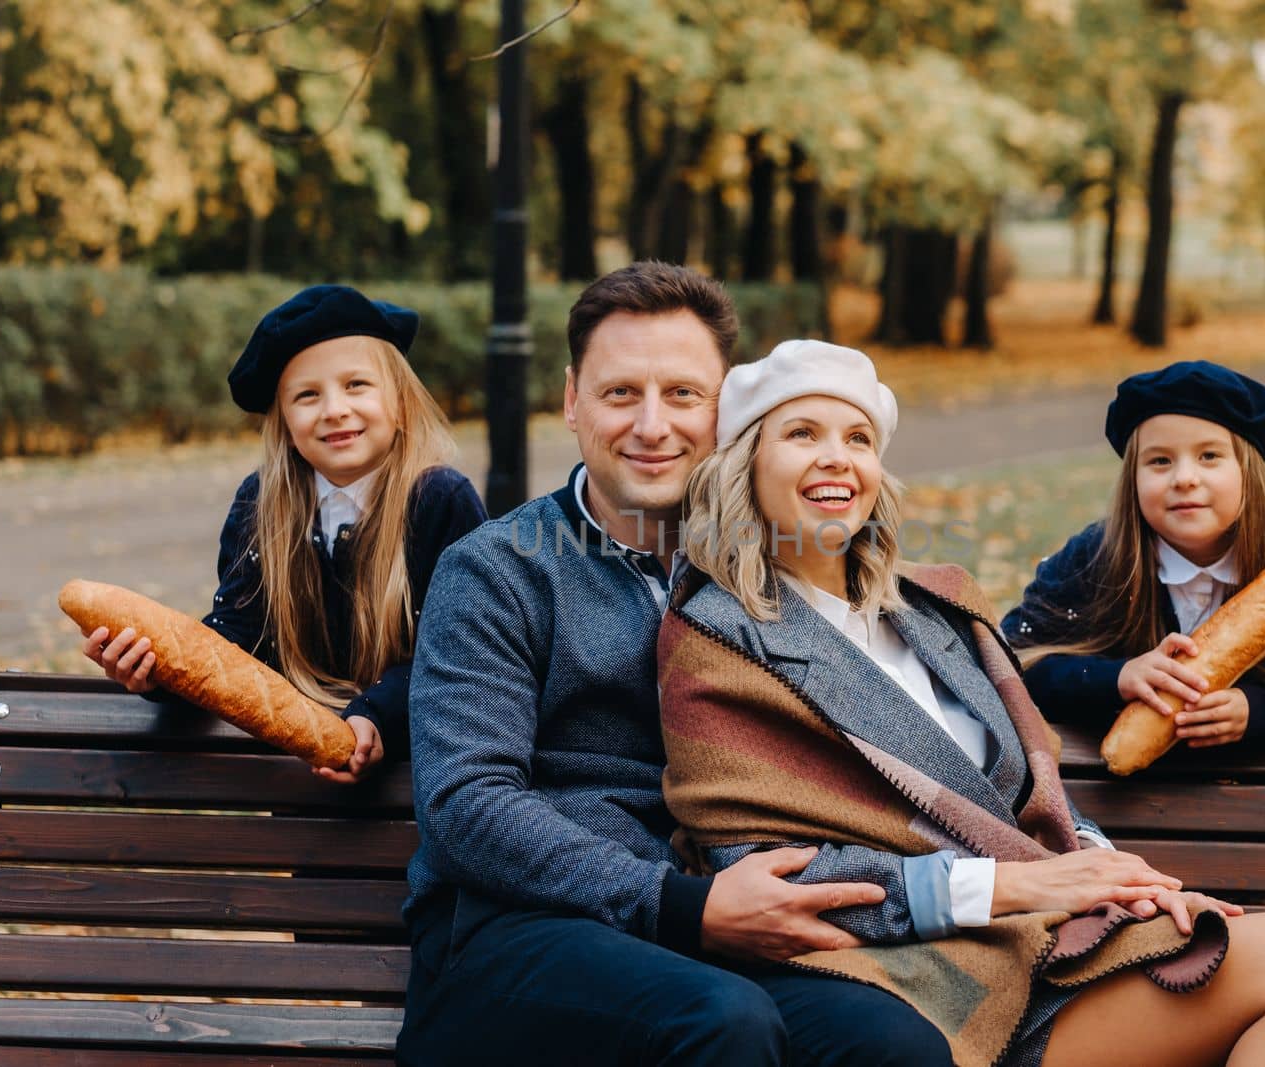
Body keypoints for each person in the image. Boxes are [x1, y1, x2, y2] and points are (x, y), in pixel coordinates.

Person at [660, 339, 1265, 1067]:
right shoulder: (719, 635)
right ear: (745, 464)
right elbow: (762, 872)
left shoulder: (937, 605)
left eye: (857, 437)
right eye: (801, 434)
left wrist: (1116, 872)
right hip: (931, 974)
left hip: (1057, 937)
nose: (836, 456)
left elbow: (1027, 795)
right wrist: (1023, 882)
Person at [398, 262, 952, 1066]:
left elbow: (923, 670)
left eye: (683, 395)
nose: (652, 425)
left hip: (710, 922)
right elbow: (465, 805)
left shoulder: (773, 567)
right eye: (621, 392)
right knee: (720, 1021)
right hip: (513, 931)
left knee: (894, 1043)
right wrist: (679, 904)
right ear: (571, 400)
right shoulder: (498, 569)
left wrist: (1076, 671)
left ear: (725, 408)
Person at [80, 285, 485, 782]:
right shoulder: (262, 505)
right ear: (285, 421)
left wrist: (375, 717)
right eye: (307, 395)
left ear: (400, 401)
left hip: (423, 775)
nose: (334, 409)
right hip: (304, 776)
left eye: (357, 384)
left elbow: (460, 655)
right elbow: (237, 645)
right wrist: (157, 673)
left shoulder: (439, 500)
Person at [1003, 360, 1265, 752]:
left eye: (1209, 456)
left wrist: (1260, 710)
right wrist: (1116, 679)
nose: (1185, 478)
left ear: (1248, 472)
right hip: (1118, 802)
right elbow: (1009, 662)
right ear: (1132, 479)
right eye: (1160, 461)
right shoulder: (1094, 560)